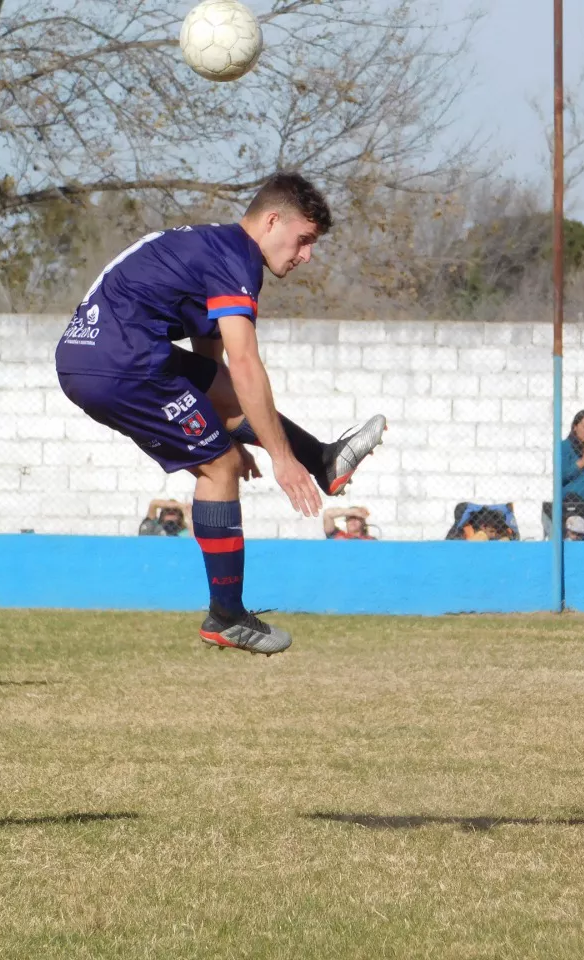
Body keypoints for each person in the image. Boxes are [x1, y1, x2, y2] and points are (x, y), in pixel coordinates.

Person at [55, 172, 386, 655]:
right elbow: (246, 361)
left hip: (94, 355)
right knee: (220, 467)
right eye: (304, 240)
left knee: (224, 415)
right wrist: (279, 457)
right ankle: (227, 614)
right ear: (273, 221)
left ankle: (324, 460)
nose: (306, 255)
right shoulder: (236, 260)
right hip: (122, 363)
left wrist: (220, 426)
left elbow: (215, 368)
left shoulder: (212, 246)